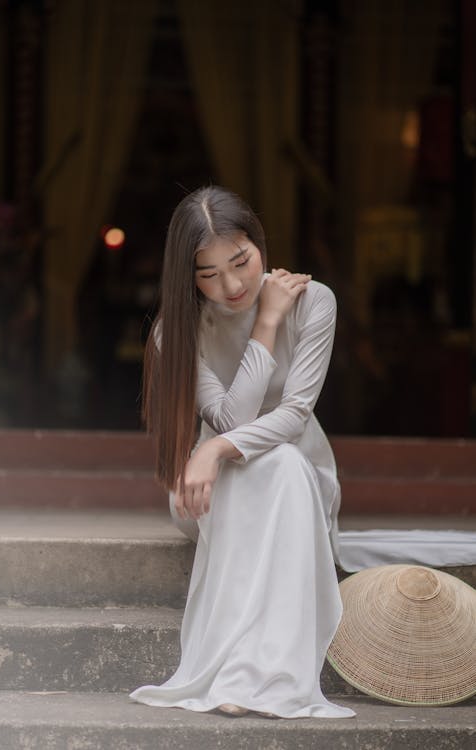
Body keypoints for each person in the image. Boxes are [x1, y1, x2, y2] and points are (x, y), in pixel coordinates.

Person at [130, 185, 355, 719]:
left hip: (298, 481)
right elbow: (235, 420)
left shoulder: (314, 301)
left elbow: (294, 415)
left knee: (280, 463)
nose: (231, 284)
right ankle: (241, 674)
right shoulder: (175, 331)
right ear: (187, 277)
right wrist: (266, 324)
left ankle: (251, 677)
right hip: (210, 492)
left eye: (241, 262)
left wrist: (212, 451)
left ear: (259, 245)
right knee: (264, 463)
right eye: (208, 274)